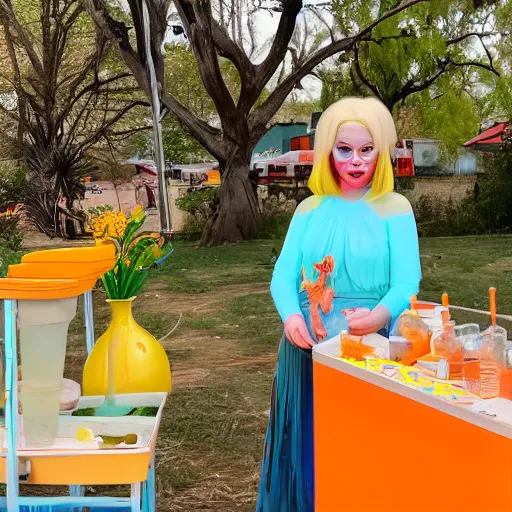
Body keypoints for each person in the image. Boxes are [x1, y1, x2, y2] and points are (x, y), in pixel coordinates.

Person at [256, 96, 422, 511]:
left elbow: (407, 282)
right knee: (308, 445)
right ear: (328, 151)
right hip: (305, 350)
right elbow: (282, 276)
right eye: (344, 149)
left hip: (369, 346)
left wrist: (377, 317)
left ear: (381, 153)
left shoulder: (395, 208)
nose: (355, 160)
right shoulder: (308, 210)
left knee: (362, 447)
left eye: (366, 150)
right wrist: (292, 316)